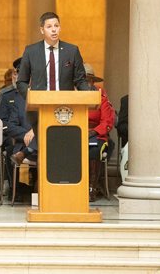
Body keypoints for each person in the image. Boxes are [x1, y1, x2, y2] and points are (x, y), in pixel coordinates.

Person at [16, 12, 90, 98]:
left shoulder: (72, 51)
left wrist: (88, 95)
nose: (54, 29)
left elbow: (80, 80)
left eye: (56, 26)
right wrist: (32, 97)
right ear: (42, 30)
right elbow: (21, 82)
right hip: (39, 104)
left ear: (60, 28)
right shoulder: (31, 51)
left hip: (65, 104)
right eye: (49, 27)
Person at [0, 58, 37, 200]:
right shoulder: (17, 99)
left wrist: (35, 132)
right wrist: (27, 133)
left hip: (45, 143)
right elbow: (10, 124)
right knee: (10, 148)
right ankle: (16, 191)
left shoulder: (45, 95)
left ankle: (28, 150)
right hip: (22, 141)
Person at [85, 63, 115, 201]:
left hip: (96, 135)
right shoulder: (71, 94)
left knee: (93, 151)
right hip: (74, 132)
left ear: (92, 81)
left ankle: (91, 187)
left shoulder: (100, 95)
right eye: (82, 79)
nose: (85, 83)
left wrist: (93, 132)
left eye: (88, 80)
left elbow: (107, 121)